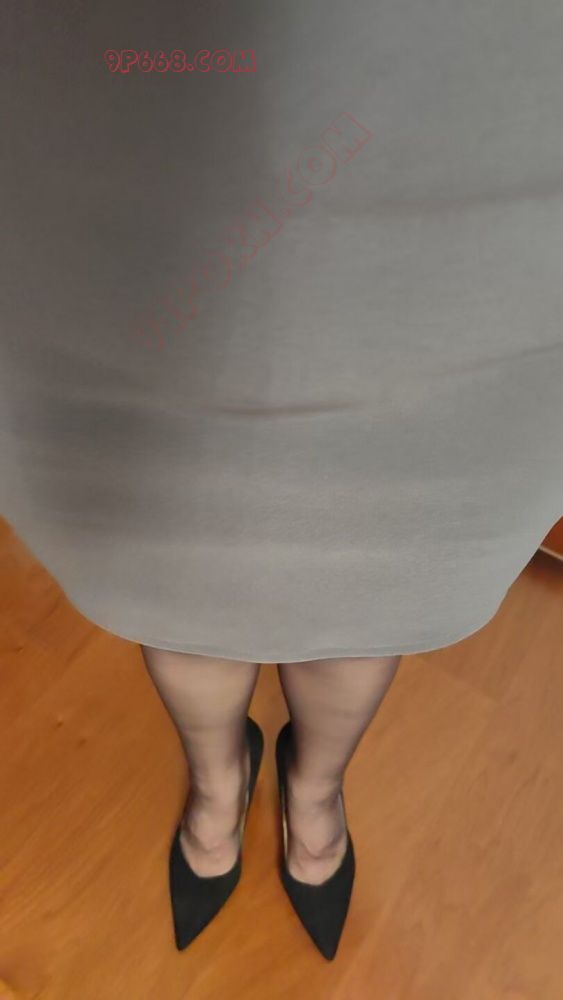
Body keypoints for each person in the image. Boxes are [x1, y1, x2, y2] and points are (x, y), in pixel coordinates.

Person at [1, 0, 562, 962]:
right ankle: (217, 782)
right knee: (170, 557)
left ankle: (315, 788)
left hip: (485, 152)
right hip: (119, 130)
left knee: (382, 564)